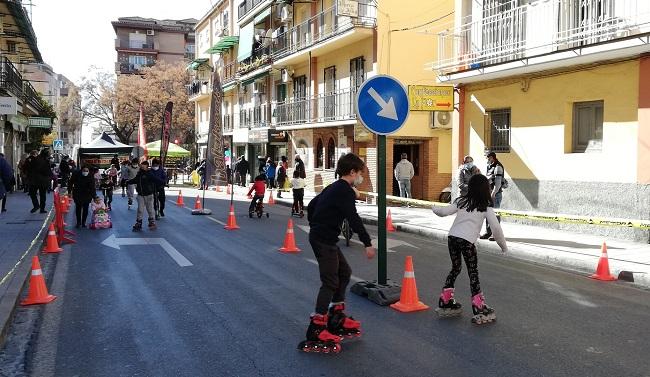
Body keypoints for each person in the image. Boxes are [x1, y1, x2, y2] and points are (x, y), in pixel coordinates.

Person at [298, 153, 375, 353]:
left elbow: (313, 205)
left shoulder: (334, 187)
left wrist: (316, 223)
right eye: (360, 173)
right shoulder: (345, 191)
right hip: (323, 239)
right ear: (352, 172)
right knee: (330, 281)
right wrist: (367, 242)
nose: (361, 177)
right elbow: (353, 218)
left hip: (323, 236)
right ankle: (317, 326)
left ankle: (336, 315)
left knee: (344, 272)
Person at [431, 174, 507, 324]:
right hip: (467, 242)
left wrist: (434, 208)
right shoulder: (485, 206)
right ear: (486, 188)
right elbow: (496, 229)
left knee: (456, 268)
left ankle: (445, 300)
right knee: (473, 273)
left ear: (470, 187)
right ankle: (479, 307)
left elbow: (443, 212)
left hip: (452, 238)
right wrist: (503, 247)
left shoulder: (461, 201)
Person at [128, 160, 162, 231]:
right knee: (140, 209)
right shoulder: (139, 173)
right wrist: (128, 182)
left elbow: (156, 179)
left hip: (149, 195)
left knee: (150, 209)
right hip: (140, 195)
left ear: (146, 166)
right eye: (141, 165)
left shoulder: (149, 173)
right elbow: (135, 180)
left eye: (143, 165)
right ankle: (139, 223)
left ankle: (152, 222)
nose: (142, 166)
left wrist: (164, 182)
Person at [480, 151, 506, 241]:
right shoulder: (489, 166)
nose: (487, 160)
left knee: (495, 214)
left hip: (495, 194)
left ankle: (496, 234)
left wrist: (493, 194)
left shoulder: (498, 167)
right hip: (488, 193)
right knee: (488, 213)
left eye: (487, 158)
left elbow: (498, 184)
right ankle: (488, 232)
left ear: (491, 157)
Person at [28, 149, 53, 214]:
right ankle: (42, 209)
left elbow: (30, 168)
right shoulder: (46, 161)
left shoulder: (36, 159)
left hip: (35, 180)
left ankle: (36, 205)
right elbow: (48, 172)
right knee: (42, 195)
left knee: (32, 193)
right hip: (43, 181)